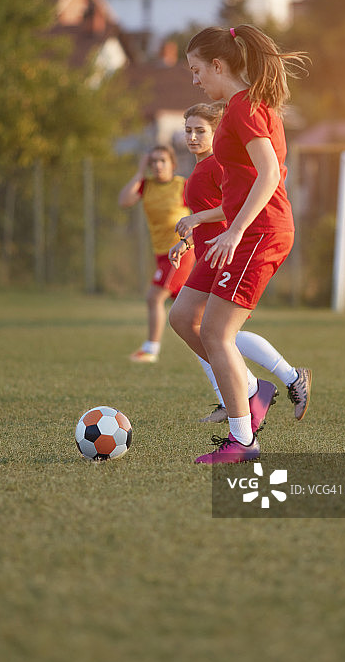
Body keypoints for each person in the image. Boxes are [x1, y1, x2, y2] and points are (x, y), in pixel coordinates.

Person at [169, 24, 311, 464]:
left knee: (216, 333)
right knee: (183, 317)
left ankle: (243, 440)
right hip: (244, 230)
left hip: (259, 232)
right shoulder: (238, 106)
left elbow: (269, 174)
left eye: (196, 70)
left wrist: (233, 230)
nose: (194, 80)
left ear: (217, 64)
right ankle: (251, 390)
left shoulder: (245, 107)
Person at [118, 144, 195, 363]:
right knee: (191, 306)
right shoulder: (146, 186)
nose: (158, 165)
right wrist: (140, 172)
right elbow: (124, 201)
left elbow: (201, 215)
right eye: (153, 161)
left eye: (162, 161)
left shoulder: (182, 186)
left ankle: (151, 349)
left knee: (154, 297)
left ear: (173, 163)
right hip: (161, 253)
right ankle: (223, 338)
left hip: (180, 251)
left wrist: (187, 241)